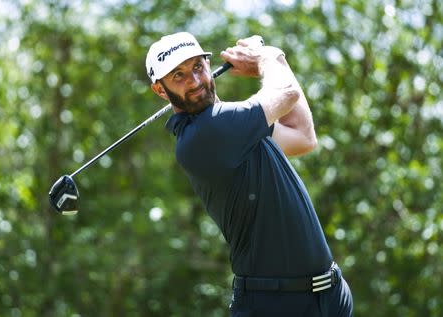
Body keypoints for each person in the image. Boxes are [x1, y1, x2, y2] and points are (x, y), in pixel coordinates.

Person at [145, 32, 353, 317]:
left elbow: (303, 136)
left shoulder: (236, 127)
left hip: (330, 296)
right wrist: (267, 56)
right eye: (178, 76)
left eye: (197, 67)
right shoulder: (208, 132)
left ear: (208, 64)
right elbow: (287, 93)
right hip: (274, 305)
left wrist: (270, 62)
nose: (194, 81)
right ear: (160, 89)